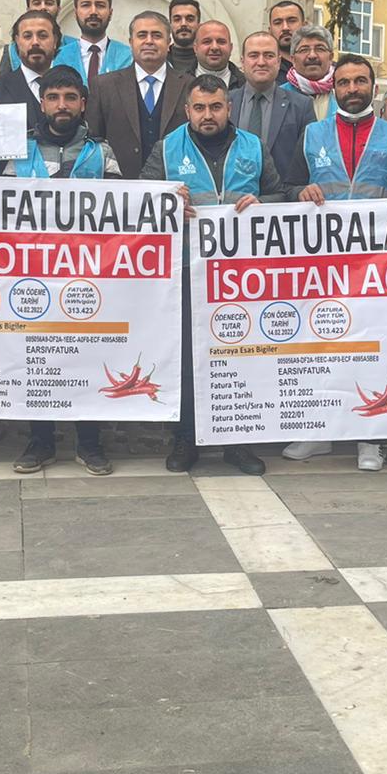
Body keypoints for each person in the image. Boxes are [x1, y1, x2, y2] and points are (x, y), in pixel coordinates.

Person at [140, 74, 283, 476]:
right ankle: (186, 439)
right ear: (187, 110)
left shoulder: (253, 146)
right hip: (187, 271)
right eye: (200, 108)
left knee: (241, 357)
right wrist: (167, 201)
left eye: (216, 107)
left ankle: (238, 443)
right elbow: (142, 199)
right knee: (187, 359)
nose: (208, 115)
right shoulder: (167, 148)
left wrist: (263, 202)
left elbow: (280, 194)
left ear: (228, 108)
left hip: (243, 274)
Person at [283, 54, 387, 472]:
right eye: (344, 82)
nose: (353, 89)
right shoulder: (312, 134)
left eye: (361, 81)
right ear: (334, 87)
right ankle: (319, 431)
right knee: (320, 346)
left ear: (373, 89)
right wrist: (299, 192)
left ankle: (369, 438)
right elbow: (288, 185)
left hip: (378, 263)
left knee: (372, 349)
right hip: (321, 262)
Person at [8, 66, 123, 477]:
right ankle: (40, 441)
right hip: (33, 274)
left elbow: (126, 210)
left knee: (86, 357)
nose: (62, 105)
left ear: (83, 104)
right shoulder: (20, 151)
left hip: (87, 275)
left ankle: (89, 442)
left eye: (70, 98)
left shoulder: (101, 152)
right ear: (42, 103)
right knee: (37, 359)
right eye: (54, 97)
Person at [86, 11, 189, 179]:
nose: (149, 41)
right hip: (119, 187)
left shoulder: (189, 86)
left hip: (176, 185)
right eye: (142, 35)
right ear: (131, 42)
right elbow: (93, 142)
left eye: (157, 35)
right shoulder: (104, 86)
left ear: (169, 42)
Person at [230, 30, 314, 179]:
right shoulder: (225, 103)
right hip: (234, 191)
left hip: (283, 192)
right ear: (242, 62)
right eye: (253, 55)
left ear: (279, 62)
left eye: (269, 55)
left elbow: (308, 159)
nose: (261, 62)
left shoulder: (301, 106)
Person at [0, 10, 61, 124]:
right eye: (27, 36)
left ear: (55, 41)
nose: (35, 42)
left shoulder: (72, 85)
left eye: (42, 36)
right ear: (17, 41)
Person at [53, 0, 133, 84]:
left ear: (110, 13)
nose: (93, 11)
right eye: (86, 5)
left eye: (100, 5)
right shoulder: (62, 56)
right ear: (75, 13)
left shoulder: (127, 56)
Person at [0, 0, 61, 72]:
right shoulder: (12, 51)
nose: (43, 7)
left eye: (49, 3)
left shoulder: (74, 46)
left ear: (58, 9)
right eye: (37, 3)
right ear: (28, 9)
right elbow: (4, 80)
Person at [283, 24, 336, 121]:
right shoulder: (279, 96)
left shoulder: (344, 93)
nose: (312, 56)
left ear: (331, 57)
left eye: (320, 49)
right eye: (304, 50)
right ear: (293, 59)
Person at [194, 20, 246, 90]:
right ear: (195, 48)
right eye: (207, 42)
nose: (214, 47)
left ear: (231, 48)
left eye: (221, 42)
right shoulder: (180, 84)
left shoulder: (247, 84)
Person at [268, 0, 305, 83]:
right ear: (270, 31)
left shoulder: (326, 69)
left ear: (304, 26)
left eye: (292, 21)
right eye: (278, 23)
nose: (285, 28)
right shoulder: (266, 73)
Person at [168, 0, 201, 72]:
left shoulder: (208, 60)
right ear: (170, 25)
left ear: (199, 25)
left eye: (190, 19)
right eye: (177, 19)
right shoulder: (159, 61)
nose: (183, 24)